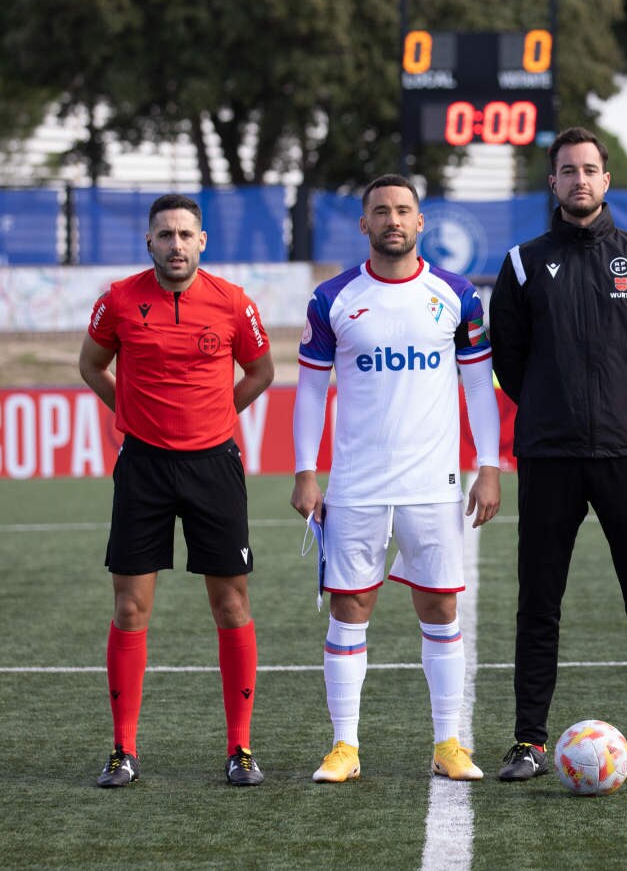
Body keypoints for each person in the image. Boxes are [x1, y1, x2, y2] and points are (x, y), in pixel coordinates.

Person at [489, 127, 627, 782]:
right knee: (539, 600)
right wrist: (554, 408)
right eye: (568, 170)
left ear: (606, 180)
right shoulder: (522, 263)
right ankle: (528, 742)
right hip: (548, 456)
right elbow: (509, 360)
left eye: (591, 169)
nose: (580, 180)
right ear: (553, 182)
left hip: (626, 455)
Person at [291, 174, 501, 784]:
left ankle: (448, 743)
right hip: (356, 484)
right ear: (364, 224)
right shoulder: (332, 298)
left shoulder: (456, 294)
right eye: (380, 211)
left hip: (434, 482)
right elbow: (309, 390)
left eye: (403, 210)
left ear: (420, 222)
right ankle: (344, 746)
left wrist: (487, 465)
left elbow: (476, 385)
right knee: (350, 607)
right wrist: (307, 470)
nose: (392, 220)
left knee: (439, 608)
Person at [78, 194, 275, 787]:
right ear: (150, 243)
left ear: (202, 241)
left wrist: (220, 413)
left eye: (186, 234)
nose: (175, 244)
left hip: (214, 465)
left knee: (231, 604)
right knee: (130, 607)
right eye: (165, 234)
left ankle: (239, 748)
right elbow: (91, 365)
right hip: (143, 468)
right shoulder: (117, 299)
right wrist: (131, 415)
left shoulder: (233, 303)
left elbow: (261, 371)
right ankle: (122, 749)